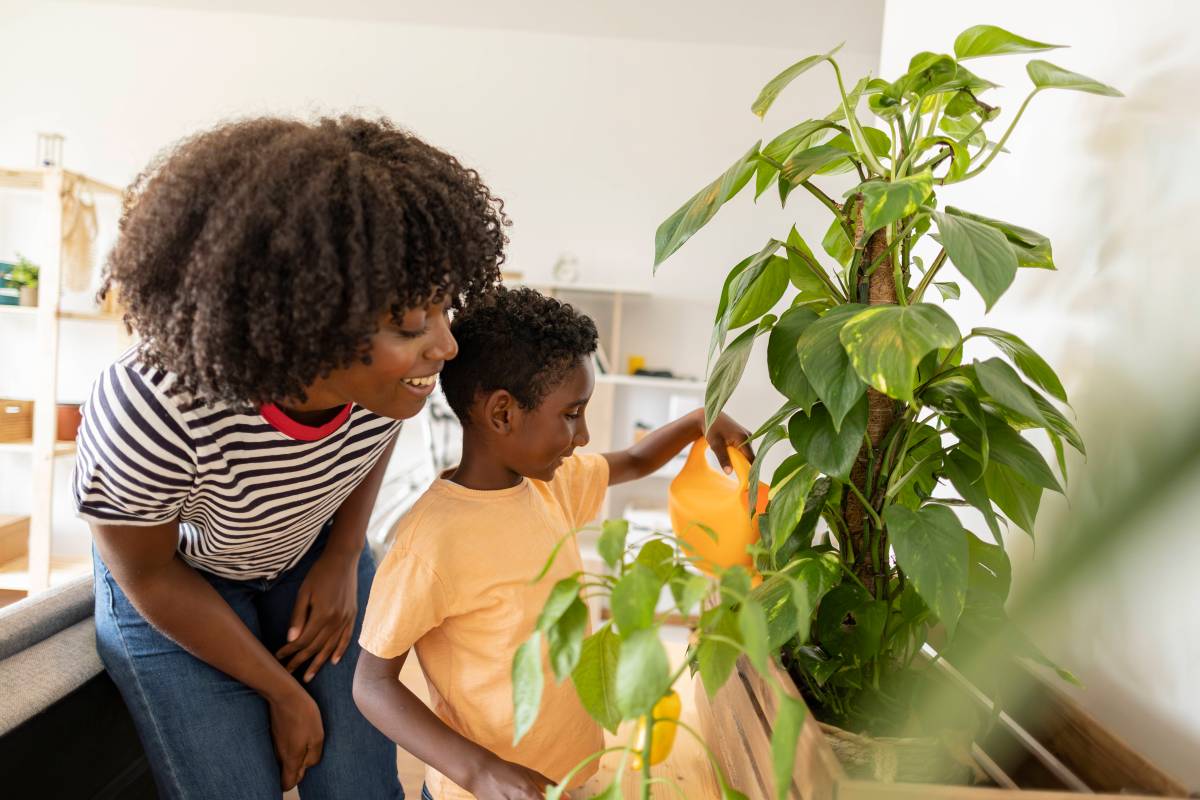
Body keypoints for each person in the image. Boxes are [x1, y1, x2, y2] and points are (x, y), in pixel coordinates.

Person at [73, 115, 508, 799]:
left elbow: (366, 446)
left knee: (360, 788)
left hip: (307, 555)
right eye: (410, 326)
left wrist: (342, 558)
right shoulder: (152, 404)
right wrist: (284, 694)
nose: (446, 347)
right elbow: (150, 575)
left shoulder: (388, 387)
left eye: (444, 311)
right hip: (178, 580)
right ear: (305, 324)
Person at [353, 287, 753, 800]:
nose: (583, 435)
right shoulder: (430, 541)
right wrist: (482, 771)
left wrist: (700, 419)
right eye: (571, 414)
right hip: (482, 791)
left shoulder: (548, 484)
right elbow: (372, 685)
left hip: (569, 778)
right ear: (503, 414)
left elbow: (632, 460)